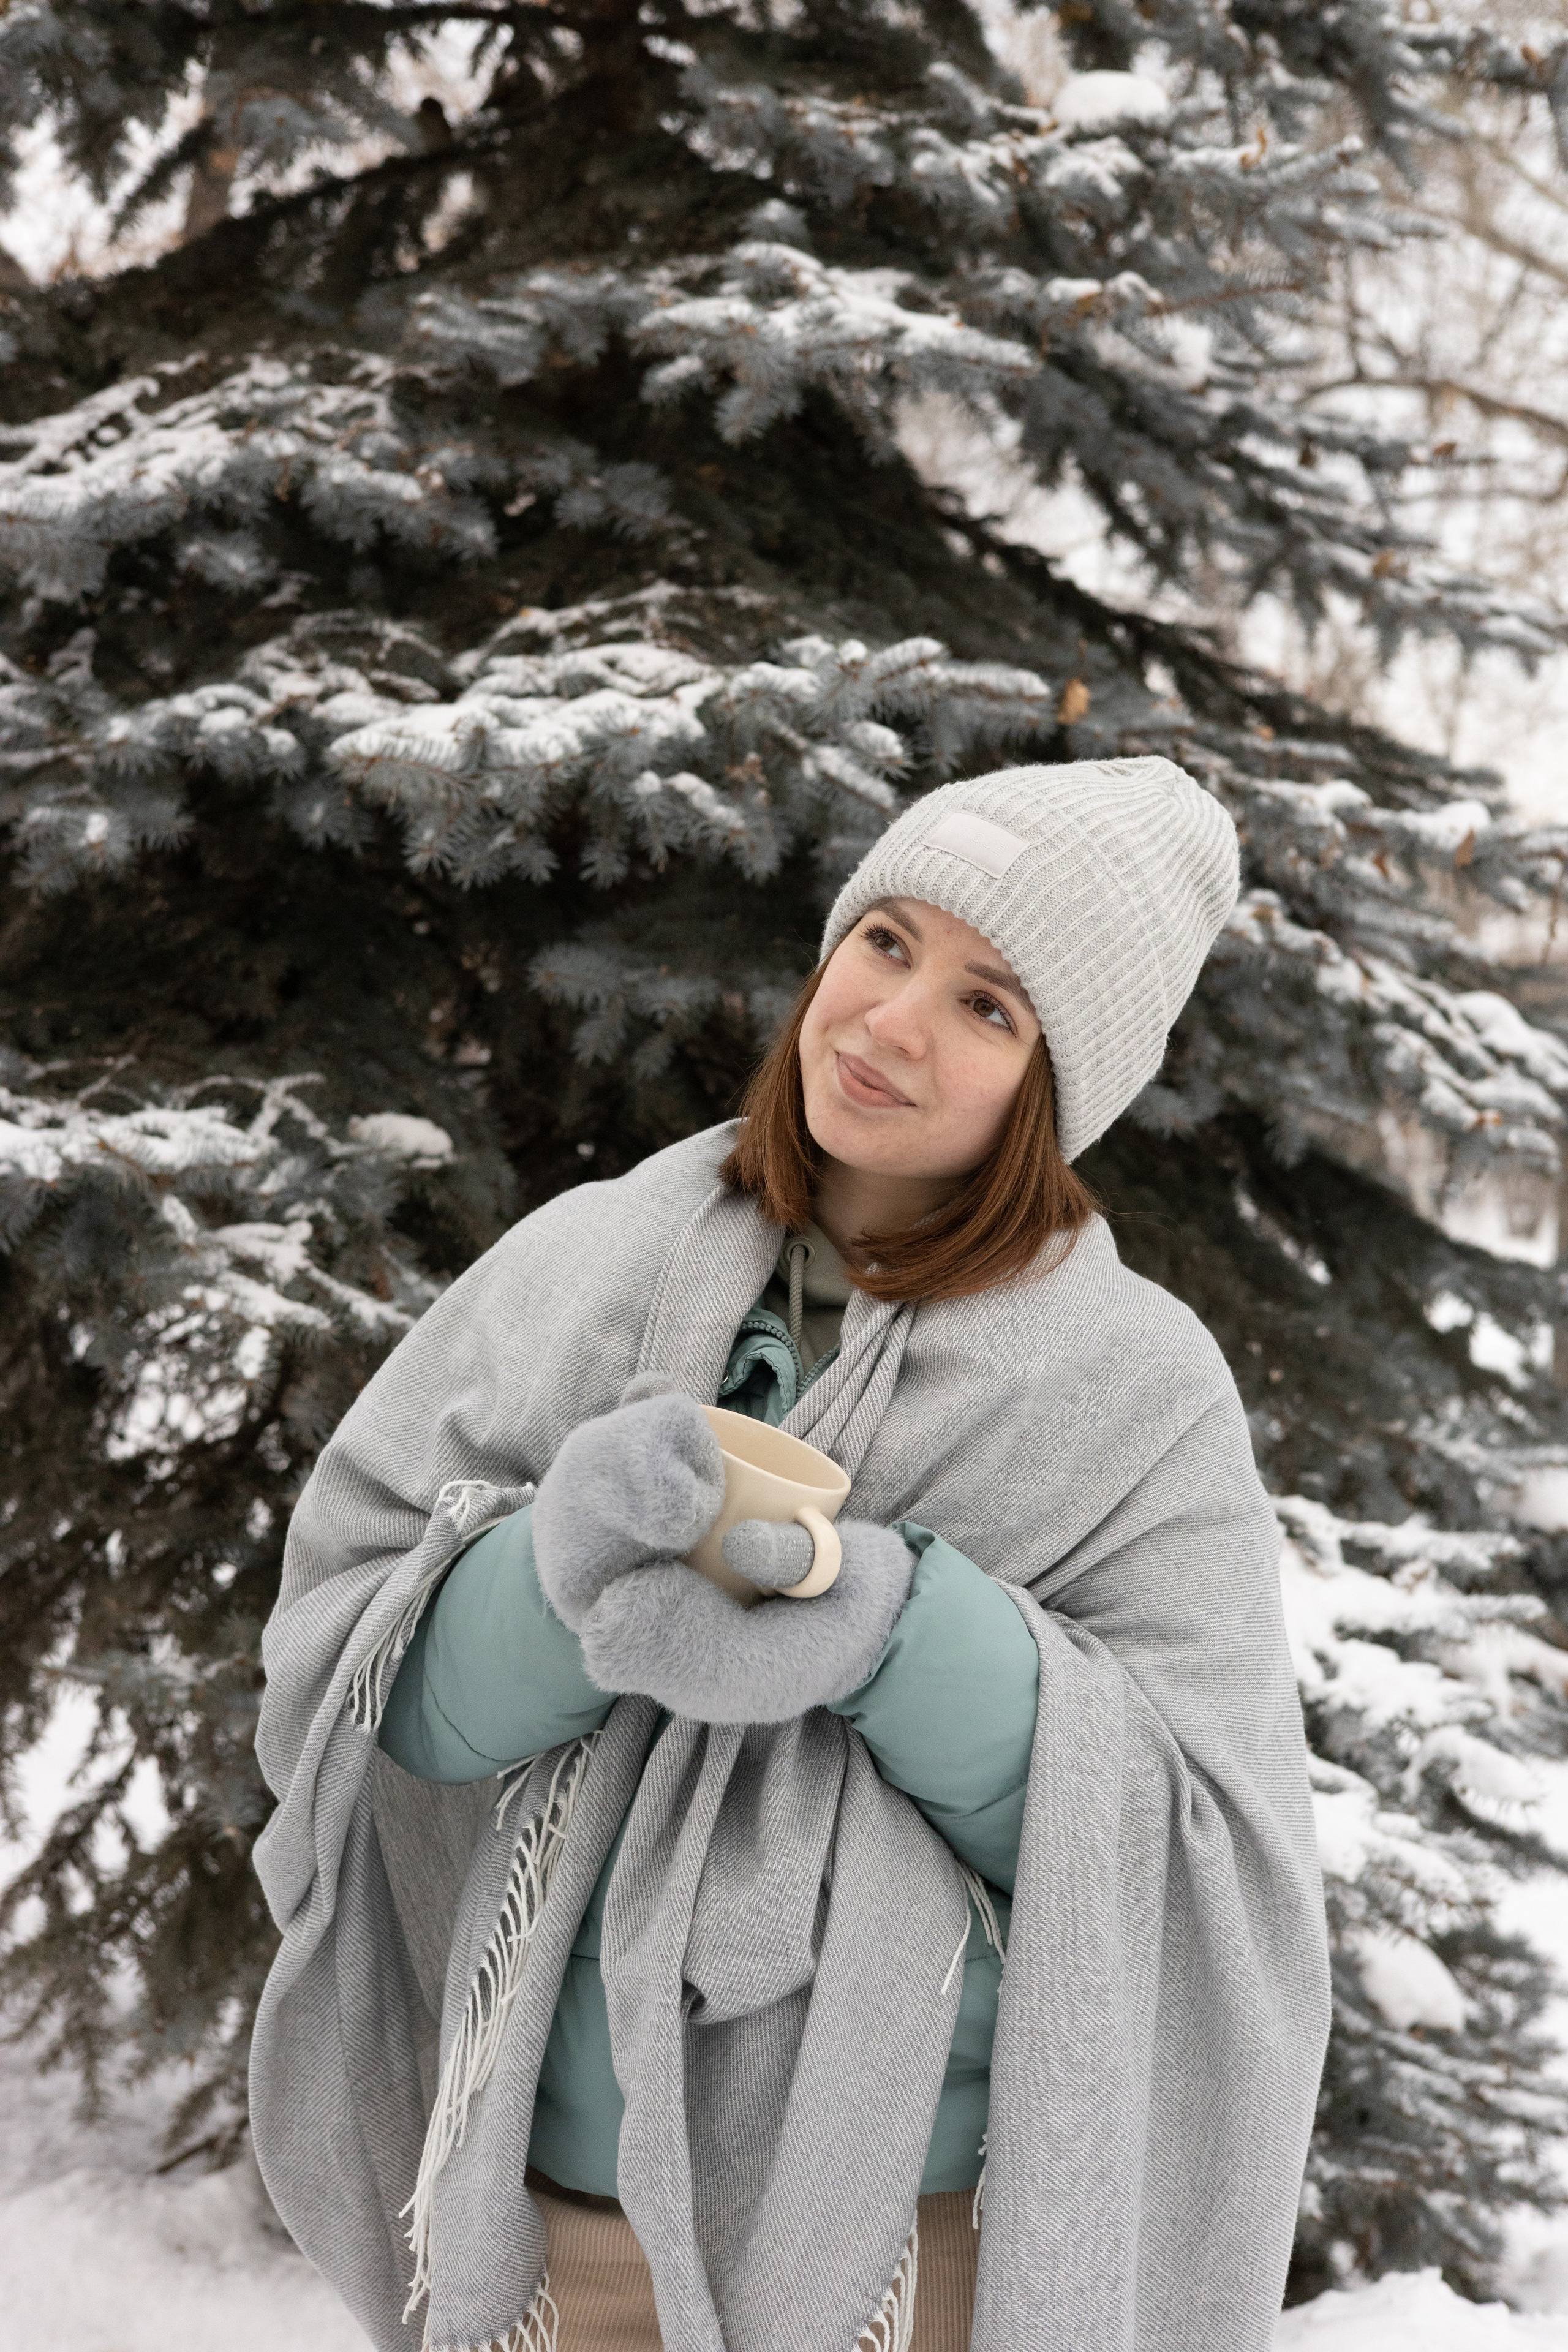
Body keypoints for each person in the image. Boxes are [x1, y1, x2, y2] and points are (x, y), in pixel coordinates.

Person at [249, 756, 1331, 2352]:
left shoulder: (1135, 1388)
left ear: (1056, 1084)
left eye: (987, 1006)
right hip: (552, 2222)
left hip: (905, 2256)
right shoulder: (590, 1261)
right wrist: (561, 1571)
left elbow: (1189, 1859)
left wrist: (890, 1630)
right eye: (887, 942)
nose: (892, 1020)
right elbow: (364, 1700)